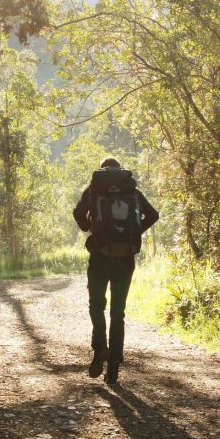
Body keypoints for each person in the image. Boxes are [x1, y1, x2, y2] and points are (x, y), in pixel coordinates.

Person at [72, 157, 159, 384]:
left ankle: (101, 347)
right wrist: (135, 232)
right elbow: (154, 215)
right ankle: (114, 367)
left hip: (100, 257)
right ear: (120, 171)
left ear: (101, 170)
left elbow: (78, 214)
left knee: (96, 305)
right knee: (117, 312)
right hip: (125, 258)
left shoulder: (94, 190)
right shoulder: (132, 191)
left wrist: (90, 227)